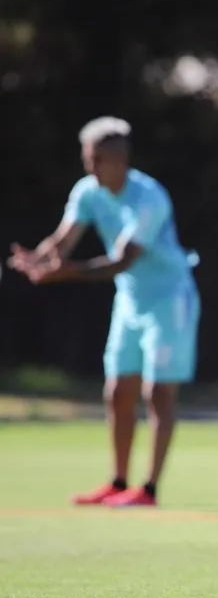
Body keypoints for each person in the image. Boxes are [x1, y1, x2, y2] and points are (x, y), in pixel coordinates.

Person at [7, 116, 200, 507]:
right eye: (87, 158)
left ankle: (147, 490)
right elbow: (62, 239)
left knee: (158, 392)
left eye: (95, 159)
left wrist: (65, 273)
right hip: (129, 301)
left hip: (168, 299)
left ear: (118, 160)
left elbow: (122, 260)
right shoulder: (87, 191)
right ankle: (117, 481)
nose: (88, 167)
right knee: (117, 391)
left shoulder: (150, 197)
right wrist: (38, 259)